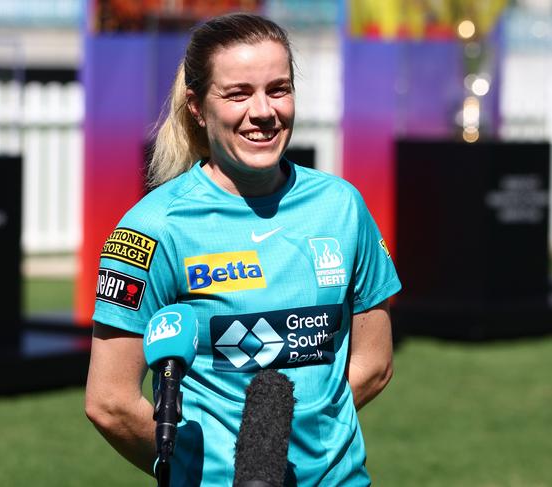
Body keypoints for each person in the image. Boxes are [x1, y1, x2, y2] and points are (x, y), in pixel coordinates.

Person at [85, 12, 401, 487]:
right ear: (196, 106)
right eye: (238, 94)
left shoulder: (342, 207)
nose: (264, 111)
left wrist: (285, 440)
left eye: (279, 89)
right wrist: (202, 468)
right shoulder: (153, 230)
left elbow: (374, 364)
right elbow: (110, 401)